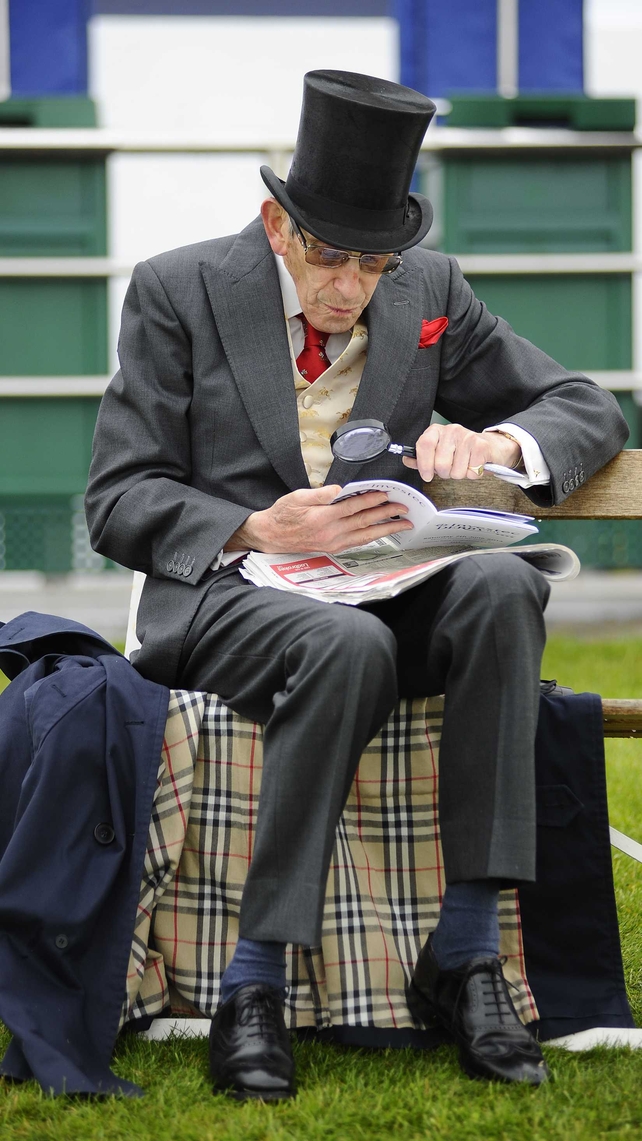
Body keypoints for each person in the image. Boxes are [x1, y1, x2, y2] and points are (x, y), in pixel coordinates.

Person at [85, 70, 629, 1101]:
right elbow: (119, 496)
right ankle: (256, 980)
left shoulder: (431, 292)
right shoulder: (177, 289)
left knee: (504, 589)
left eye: (374, 261)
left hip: (383, 588)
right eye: (329, 255)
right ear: (276, 225)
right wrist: (254, 521)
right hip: (233, 604)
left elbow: (582, 405)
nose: (349, 286)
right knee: (345, 645)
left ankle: (465, 957)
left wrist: (501, 441)